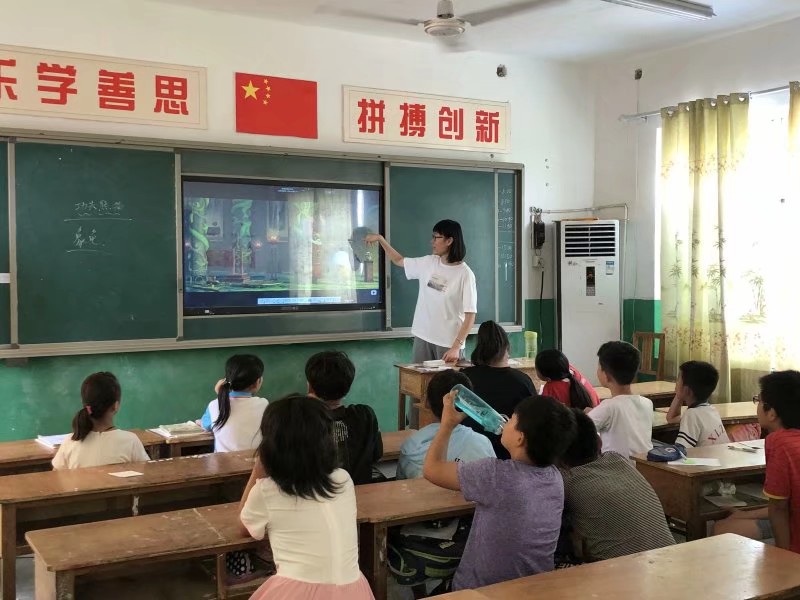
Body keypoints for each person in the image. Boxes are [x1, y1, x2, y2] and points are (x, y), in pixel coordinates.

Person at [423, 393, 576, 590]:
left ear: (520, 438)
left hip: (481, 591)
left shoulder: (495, 476)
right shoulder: (555, 478)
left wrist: (447, 425)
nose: (504, 420)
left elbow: (432, 469)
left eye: (512, 419)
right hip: (533, 589)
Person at [239, 395, 375, 599]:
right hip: (353, 590)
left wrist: (258, 469)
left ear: (270, 447)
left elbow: (244, 527)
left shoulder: (267, 491)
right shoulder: (343, 479)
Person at [561, 408, 675, 561]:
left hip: (622, 573)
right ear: (599, 442)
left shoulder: (566, 481)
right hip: (672, 561)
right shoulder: (618, 460)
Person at [366, 220, 477, 365]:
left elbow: (470, 315)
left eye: (436, 237)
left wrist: (456, 347)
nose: (432, 241)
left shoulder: (465, 274)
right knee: (418, 379)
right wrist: (381, 239)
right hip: (423, 337)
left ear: (449, 241)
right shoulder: (428, 262)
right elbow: (399, 260)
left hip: (448, 344)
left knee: (447, 380)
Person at [713, 370, 800, 551]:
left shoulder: (779, 442)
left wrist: (785, 559)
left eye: (758, 401)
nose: (757, 405)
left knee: (720, 529)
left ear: (771, 413)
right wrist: (744, 514)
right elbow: (783, 503)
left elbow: (779, 509)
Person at [398, 370, 495, 480]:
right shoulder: (483, 443)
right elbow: (493, 482)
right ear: (468, 406)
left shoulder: (410, 445)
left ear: (426, 403)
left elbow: (399, 483)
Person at [461, 320, 537, 458]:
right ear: (507, 348)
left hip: (468, 451)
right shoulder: (522, 381)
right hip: (509, 454)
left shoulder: (464, 378)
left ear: (479, 348)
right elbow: (534, 421)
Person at [306, 350, 382, 485]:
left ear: (309, 386)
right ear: (348, 386)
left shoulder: (301, 421)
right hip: (359, 489)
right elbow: (377, 454)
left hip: (318, 494)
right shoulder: (365, 415)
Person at [52, 372, 150, 469]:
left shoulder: (70, 442)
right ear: (115, 406)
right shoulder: (131, 441)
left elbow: (55, 475)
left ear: (84, 403)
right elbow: (148, 472)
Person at [586, 341, 653, 461]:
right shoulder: (647, 403)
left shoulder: (609, 407)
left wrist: (584, 415)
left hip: (617, 469)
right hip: (644, 467)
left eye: (599, 367)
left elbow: (581, 428)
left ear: (606, 375)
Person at [199, 354, 269, 453]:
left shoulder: (214, 405)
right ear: (257, 382)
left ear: (226, 380)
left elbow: (205, 425)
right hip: (253, 462)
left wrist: (220, 396)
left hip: (222, 463)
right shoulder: (264, 404)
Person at [666, 360, 729, 447]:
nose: (675, 383)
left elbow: (682, 450)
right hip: (719, 455)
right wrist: (679, 393)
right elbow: (672, 419)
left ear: (687, 390)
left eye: (678, 380)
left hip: (705, 456)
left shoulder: (691, 414)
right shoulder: (711, 410)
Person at [535, 349, 599, 410]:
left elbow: (544, 411)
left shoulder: (550, 389)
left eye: (536, 369)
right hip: (595, 410)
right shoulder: (571, 371)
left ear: (548, 379)